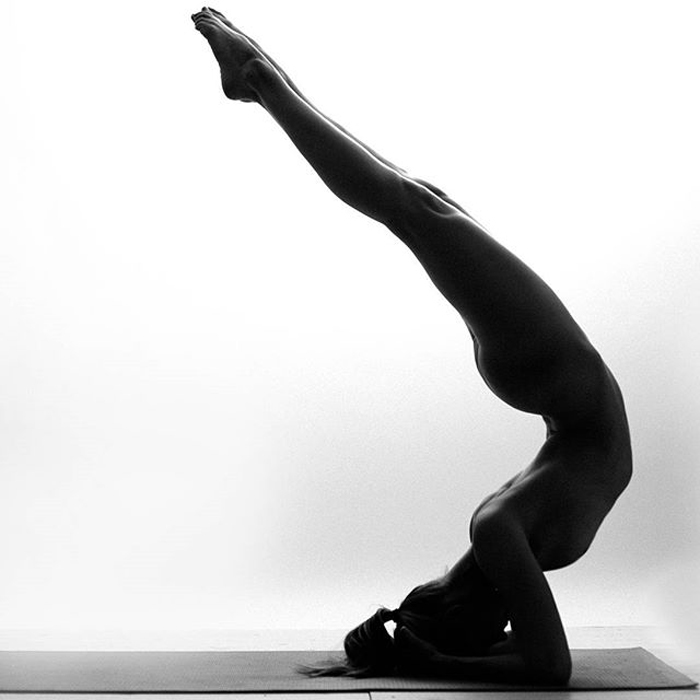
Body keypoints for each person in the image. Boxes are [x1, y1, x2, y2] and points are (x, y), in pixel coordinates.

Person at [191, 7, 633, 686]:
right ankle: (257, 78)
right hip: (551, 380)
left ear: (469, 615)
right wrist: (447, 660)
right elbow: (549, 666)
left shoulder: (498, 535)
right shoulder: (497, 534)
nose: (507, 628)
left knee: (416, 204)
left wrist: (443, 659)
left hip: (553, 379)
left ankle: (260, 78)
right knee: (415, 205)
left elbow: (541, 661)